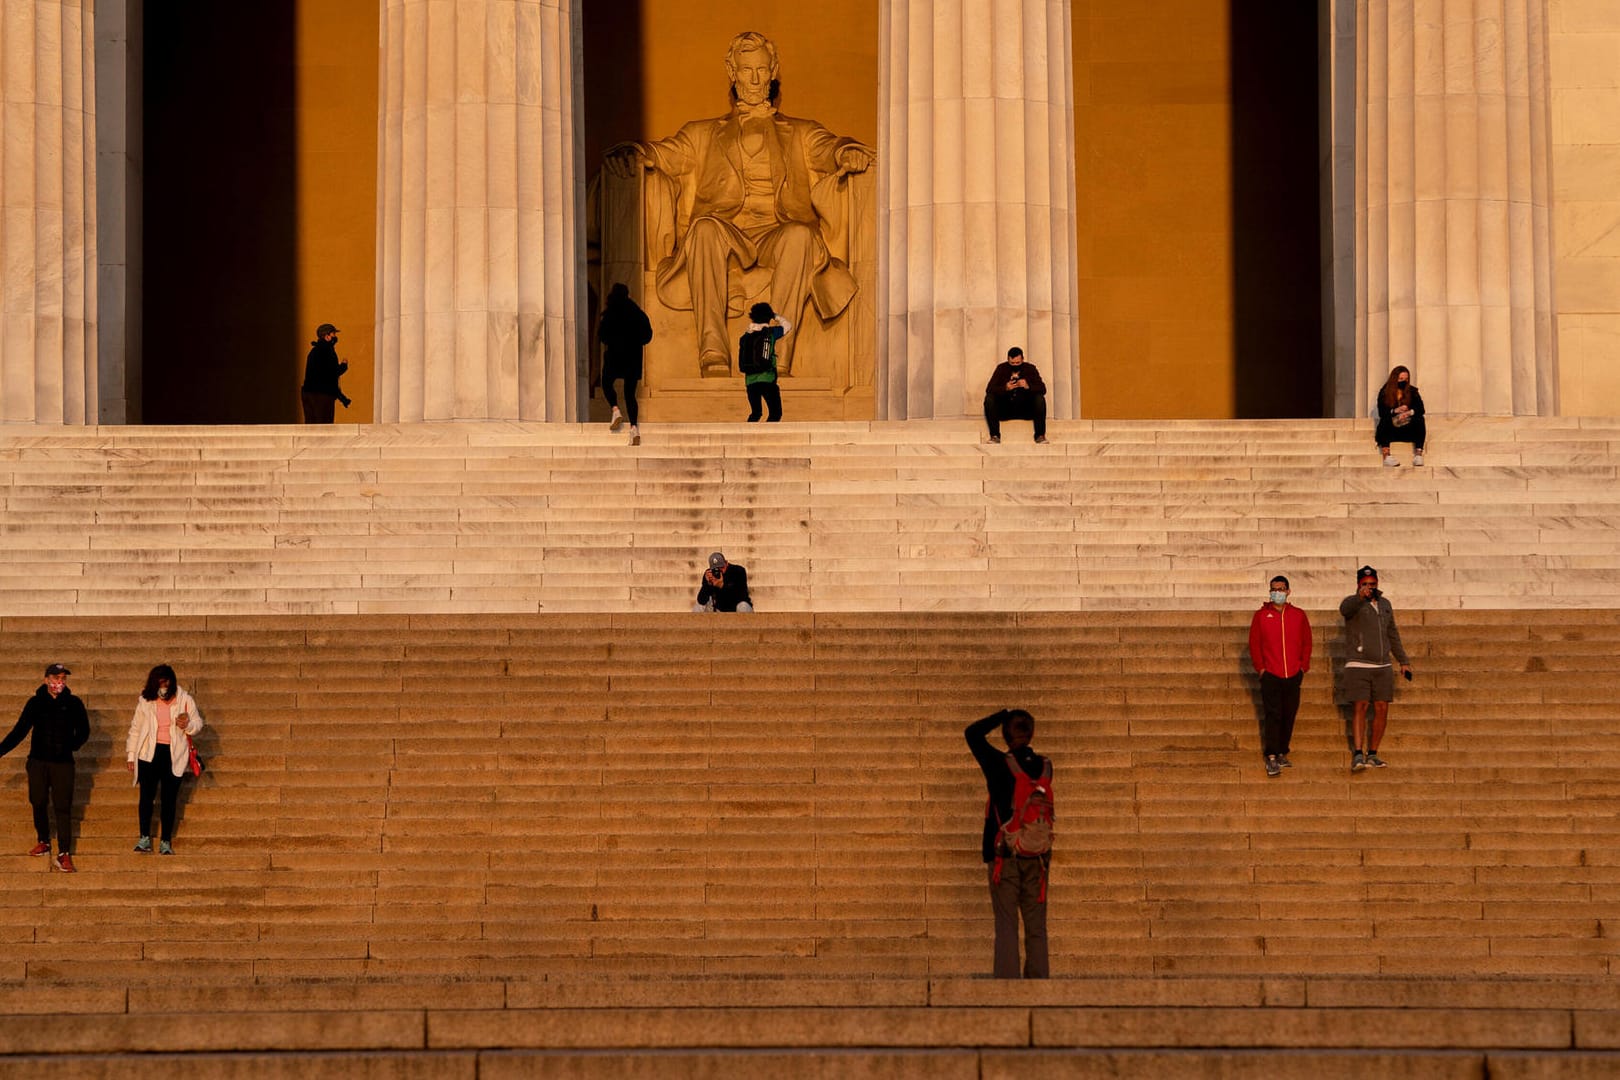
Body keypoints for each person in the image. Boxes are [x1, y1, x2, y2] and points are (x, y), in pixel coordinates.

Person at [603, 31, 873, 377]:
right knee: (703, 229)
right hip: (726, 231)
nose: (756, 79)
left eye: (762, 69)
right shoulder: (702, 133)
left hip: (777, 232)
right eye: (746, 70)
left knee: (801, 236)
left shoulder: (802, 132)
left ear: (773, 70)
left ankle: (772, 354)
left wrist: (845, 152)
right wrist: (636, 152)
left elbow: (829, 148)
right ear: (732, 71)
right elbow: (666, 154)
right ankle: (712, 351)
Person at [965, 709, 1052, 978]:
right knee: (1036, 926)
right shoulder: (1045, 766)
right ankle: (1039, 986)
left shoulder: (997, 763)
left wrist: (999, 715)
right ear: (1032, 733)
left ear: (1005, 734)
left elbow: (972, 734)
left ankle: (1008, 988)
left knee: (1006, 924)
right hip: (1037, 855)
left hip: (1004, 854)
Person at [0, 664, 90, 873]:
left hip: (63, 764)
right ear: (46, 680)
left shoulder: (74, 703)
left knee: (62, 805)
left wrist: (72, 744)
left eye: (63, 678)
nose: (59, 681)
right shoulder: (36, 703)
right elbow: (20, 730)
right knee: (38, 800)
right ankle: (44, 839)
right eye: (55, 677)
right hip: (38, 761)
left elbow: (84, 730)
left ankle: (64, 853)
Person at [125, 664, 205, 855]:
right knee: (146, 797)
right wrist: (130, 754)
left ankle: (166, 841)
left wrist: (188, 724)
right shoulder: (145, 700)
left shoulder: (184, 699)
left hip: (173, 754)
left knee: (169, 800)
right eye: (159, 683)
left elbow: (198, 723)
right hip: (148, 754)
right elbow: (135, 728)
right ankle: (144, 837)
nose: (163, 686)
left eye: (166, 682)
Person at [1340, 565, 1411, 771]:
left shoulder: (1385, 604)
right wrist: (1359, 597)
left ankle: (1373, 753)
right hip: (1359, 664)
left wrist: (1403, 661)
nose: (1369, 587)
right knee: (1360, 706)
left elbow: (1393, 634)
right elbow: (1345, 610)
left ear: (1377, 583)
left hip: (1383, 666)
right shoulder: (1352, 603)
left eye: (1372, 584)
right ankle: (1357, 753)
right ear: (1358, 584)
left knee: (1382, 707)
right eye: (1365, 584)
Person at [1248, 575, 1312, 777]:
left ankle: (1283, 751)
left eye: (1281, 589)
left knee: (1289, 714)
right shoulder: (1261, 616)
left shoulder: (1298, 615)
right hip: (1271, 674)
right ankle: (1272, 755)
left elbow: (1306, 642)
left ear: (1288, 591)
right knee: (1273, 715)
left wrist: (1303, 666)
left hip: (1293, 672)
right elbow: (1254, 644)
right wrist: (1261, 669)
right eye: (1274, 589)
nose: (1278, 592)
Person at [598, 283, 652, 446]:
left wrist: (615, 341)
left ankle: (615, 410)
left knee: (606, 383)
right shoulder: (637, 313)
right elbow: (648, 335)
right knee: (630, 394)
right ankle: (634, 428)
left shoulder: (610, 312)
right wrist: (635, 342)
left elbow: (602, 335)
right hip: (632, 358)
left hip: (615, 355)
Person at [983, 347, 1049, 444]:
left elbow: (1042, 389)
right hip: (1006, 409)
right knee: (989, 399)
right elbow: (989, 389)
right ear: (1008, 360)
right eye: (1012, 363)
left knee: (1039, 398)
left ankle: (1040, 435)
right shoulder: (1001, 368)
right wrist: (1005, 388)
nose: (1015, 365)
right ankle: (995, 436)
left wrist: (1028, 386)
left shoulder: (1030, 368)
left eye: (1018, 363)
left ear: (1022, 359)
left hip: (1025, 409)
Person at [741, 302, 790, 422]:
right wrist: (774, 315)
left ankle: (748, 436)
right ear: (768, 317)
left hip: (750, 381)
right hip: (767, 379)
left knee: (756, 413)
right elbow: (788, 325)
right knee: (775, 413)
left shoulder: (745, 337)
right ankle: (768, 438)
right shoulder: (771, 333)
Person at [1375, 365, 1426, 467]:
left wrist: (1409, 412)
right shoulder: (1385, 392)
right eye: (1401, 379)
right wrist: (1395, 411)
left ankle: (1418, 455)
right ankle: (1386, 456)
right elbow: (1382, 411)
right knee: (1385, 419)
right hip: (1392, 427)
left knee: (1420, 419)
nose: (1404, 381)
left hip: (1407, 426)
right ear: (1395, 379)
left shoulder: (1412, 391)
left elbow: (1421, 409)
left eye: (1406, 379)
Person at [301, 322, 351, 423]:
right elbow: (332, 374)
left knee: (311, 426)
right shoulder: (327, 351)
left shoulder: (314, 351)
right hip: (322, 396)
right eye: (333, 334)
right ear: (327, 336)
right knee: (324, 427)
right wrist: (343, 366)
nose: (335, 337)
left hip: (309, 393)